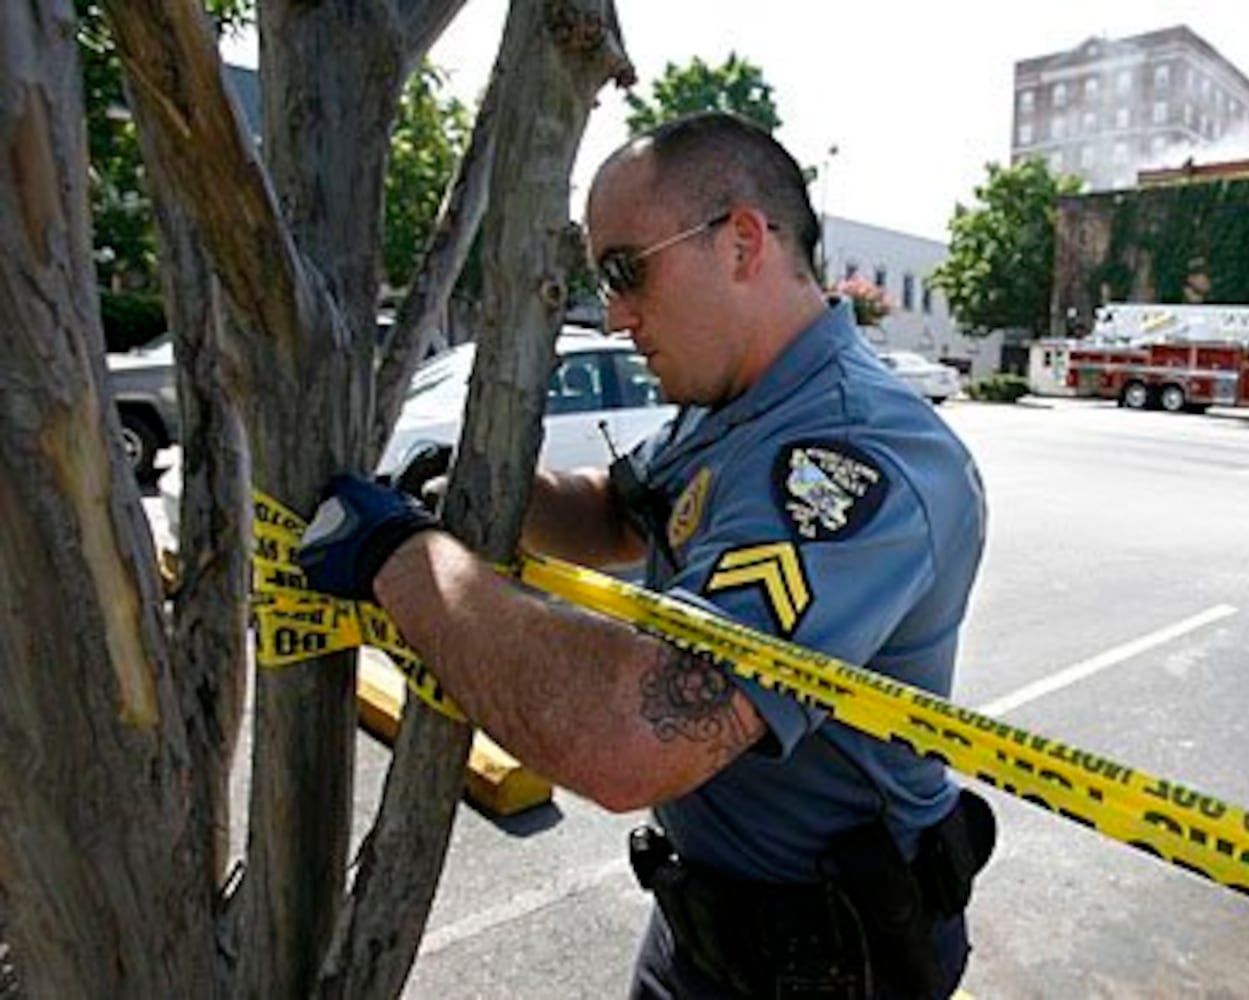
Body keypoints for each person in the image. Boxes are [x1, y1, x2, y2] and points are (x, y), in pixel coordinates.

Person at [296, 111, 993, 998]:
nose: (616, 314)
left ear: (742, 242)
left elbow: (638, 737)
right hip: (705, 924)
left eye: (628, 270)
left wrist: (398, 558)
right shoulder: (733, 403)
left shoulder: (859, 460)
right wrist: (483, 496)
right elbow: (622, 516)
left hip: (838, 954)